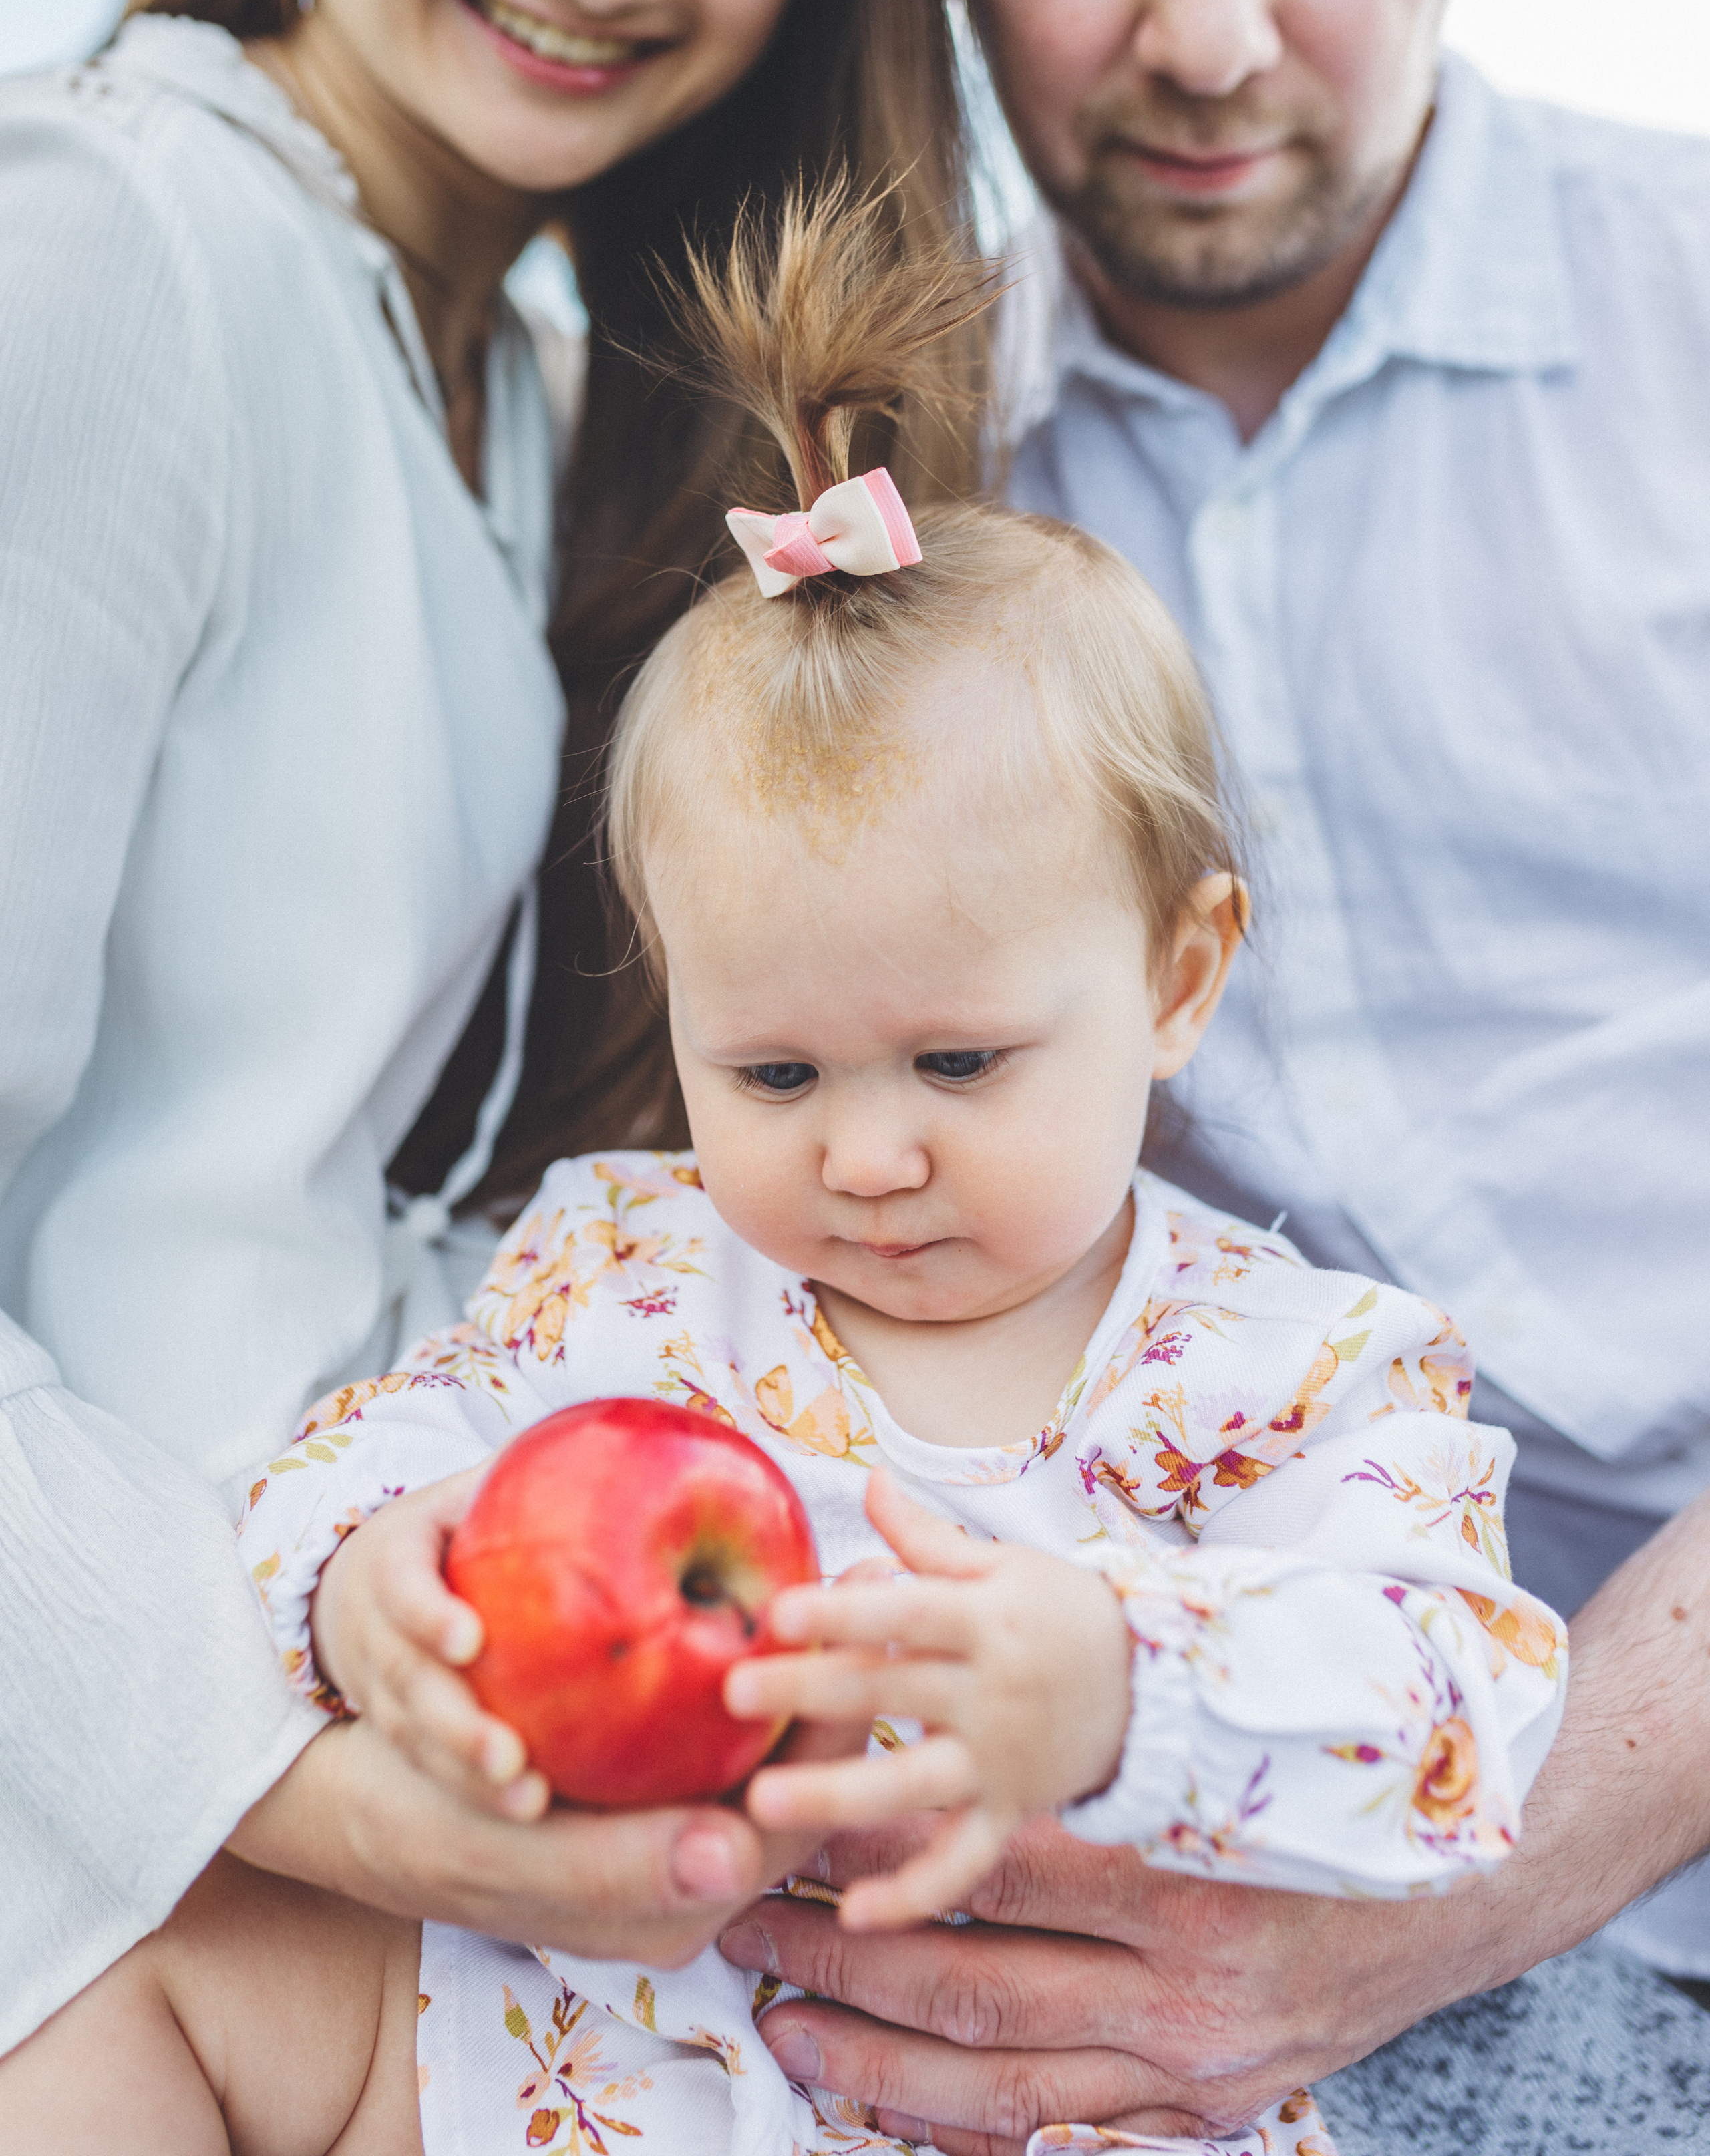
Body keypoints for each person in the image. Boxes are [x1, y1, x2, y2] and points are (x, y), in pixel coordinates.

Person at [0, 188, 1566, 2156]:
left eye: (965, 1060)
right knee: (120, 1983)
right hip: (559, 2053)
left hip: (996, 2101)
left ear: (1178, 979)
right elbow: (376, 1448)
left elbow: (1462, 1706)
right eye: (772, 1068)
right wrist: (362, 1589)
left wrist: (1120, 1683)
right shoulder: (627, 1267)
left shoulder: (1294, 1370)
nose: (873, 1149)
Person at [709, 0, 1710, 2144]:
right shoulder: (863, 541)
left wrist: (1472, 1888)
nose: (1216, 34)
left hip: (1483, 1862)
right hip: (1183, 1814)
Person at [0, 0, 979, 2058]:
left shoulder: (533, 385)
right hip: (107, 1832)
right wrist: (299, 1793)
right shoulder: (101, 249)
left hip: (369, 1721)